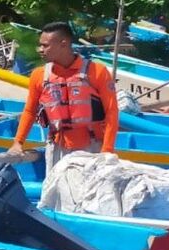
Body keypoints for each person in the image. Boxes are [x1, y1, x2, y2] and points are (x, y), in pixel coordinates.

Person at [8, 21, 119, 172]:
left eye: (45, 45)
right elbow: (30, 111)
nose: (40, 50)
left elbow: (112, 112)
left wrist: (107, 149)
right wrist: (18, 142)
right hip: (57, 147)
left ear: (63, 44)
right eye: (40, 45)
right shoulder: (39, 75)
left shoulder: (97, 71)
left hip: (92, 148)